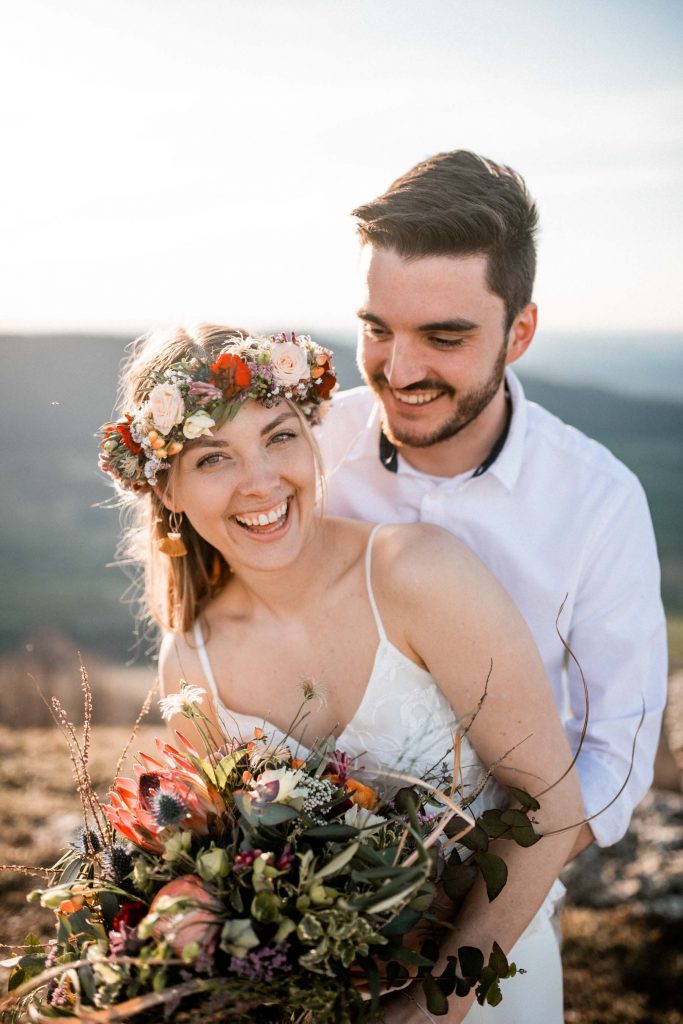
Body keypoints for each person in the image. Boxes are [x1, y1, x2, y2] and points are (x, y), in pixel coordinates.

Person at [100, 323, 583, 1023]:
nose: (260, 481)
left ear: (312, 436)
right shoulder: (190, 661)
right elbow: (230, 871)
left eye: (279, 436)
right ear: (166, 489)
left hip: (486, 985)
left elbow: (553, 803)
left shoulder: (415, 573)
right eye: (212, 459)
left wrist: (429, 1007)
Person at [317, 150, 667, 867]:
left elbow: (614, 753)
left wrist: (483, 902)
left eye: (444, 338)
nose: (400, 370)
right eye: (378, 329)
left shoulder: (599, 503)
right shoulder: (307, 449)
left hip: (500, 891)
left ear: (520, 333)